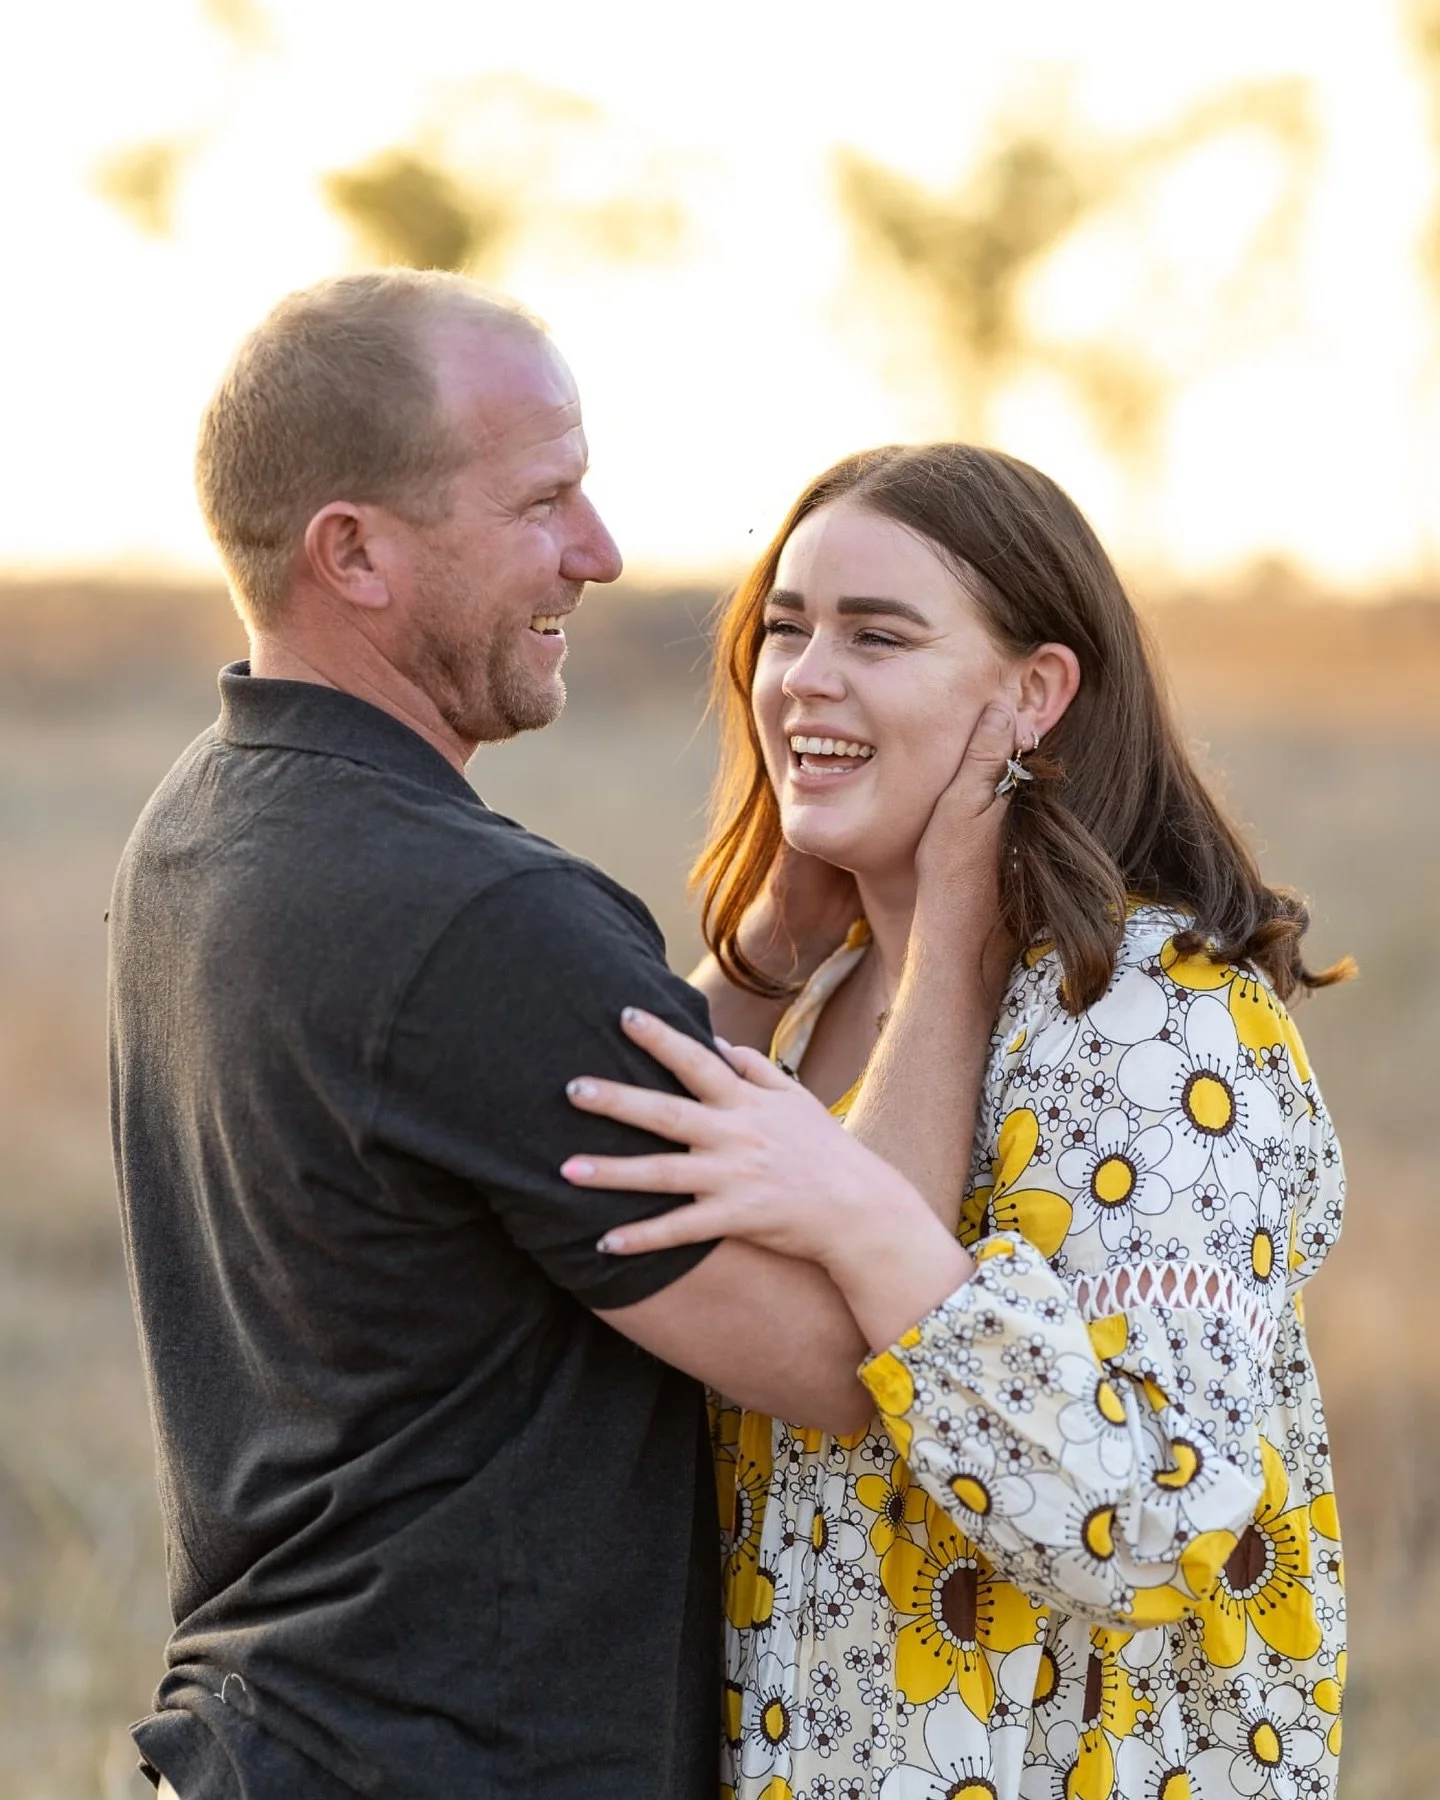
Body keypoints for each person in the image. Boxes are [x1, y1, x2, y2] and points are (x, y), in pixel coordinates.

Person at [107, 275, 1004, 1800]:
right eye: (545, 501)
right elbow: (857, 1357)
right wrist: (958, 935)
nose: (599, 553)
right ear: (356, 553)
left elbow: (544, 1142)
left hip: (282, 1743)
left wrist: (765, 960)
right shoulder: (480, 925)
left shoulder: (203, 826)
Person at [559, 444, 1350, 1800]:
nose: (806, 675)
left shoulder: (1155, 1021)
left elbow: (1171, 1523)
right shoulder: (829, 1005)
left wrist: (871, 1228)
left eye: (878, 635)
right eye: (786, 629)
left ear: (1034, 695)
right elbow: (608, 1194)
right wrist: (764, 957)